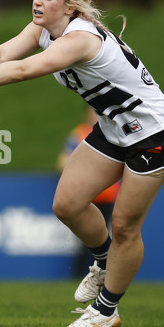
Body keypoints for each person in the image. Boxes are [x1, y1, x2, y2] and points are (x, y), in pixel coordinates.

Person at [0, 0, 164, 327]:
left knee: (123, 226)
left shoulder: (80, 39)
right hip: (112, 128)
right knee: (67, 205)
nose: (38, 1)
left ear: (70, 7)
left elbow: (23, 70)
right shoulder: (41, 29)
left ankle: (106, 312)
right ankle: (104, 261)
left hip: (154, 133)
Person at [57, 106, 120, 277]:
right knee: (85, 241)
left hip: (107, 197)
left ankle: (108, 276)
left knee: (107, 237)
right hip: (86, 197)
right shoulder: (79, 133)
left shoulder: (114, 132)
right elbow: (62, 161)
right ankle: (81, 275)